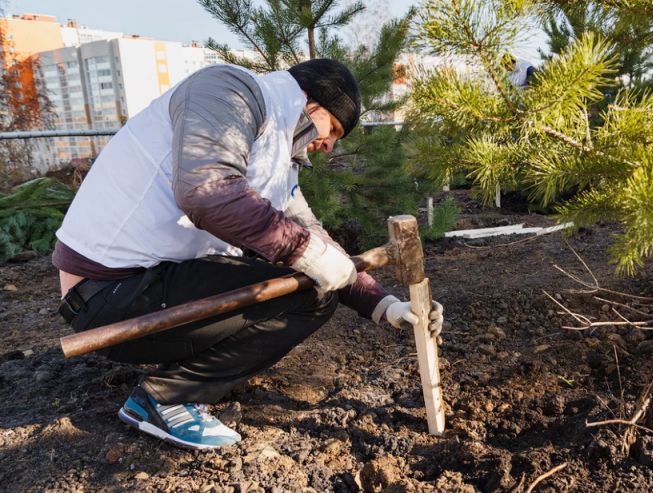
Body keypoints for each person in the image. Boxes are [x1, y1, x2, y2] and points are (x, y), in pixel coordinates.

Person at [53, 59, 444, 450]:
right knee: (308, 295)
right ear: (313, 105)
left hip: (139, 286)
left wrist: (386, 305)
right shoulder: (226, 92)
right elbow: (208, 194)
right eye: (335, 130)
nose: (329, 147)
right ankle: (166, 399)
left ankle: (184, 379)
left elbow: (317, 241)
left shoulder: (273, 152)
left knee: (305, 278)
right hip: (106, 295)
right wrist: (306, 252)